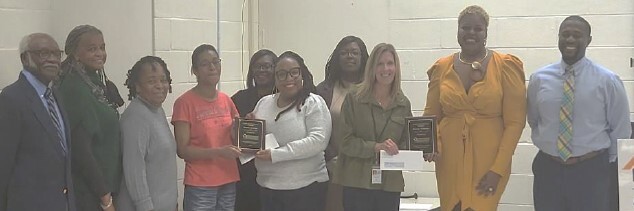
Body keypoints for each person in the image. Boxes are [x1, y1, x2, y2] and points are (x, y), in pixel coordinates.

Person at [422, 5, 526, 211]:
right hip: (449, 161)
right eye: (465, 28)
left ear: (486, 33)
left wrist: (498, 169)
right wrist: (432, 145)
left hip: (489, 162)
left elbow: (515, 123)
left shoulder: (506, 66)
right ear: (458, 31)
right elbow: (430, 115)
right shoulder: (441, 67)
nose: (471, 33)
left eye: (477, 29)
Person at [528, 15, 631, 211]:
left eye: (577, 35)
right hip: (548, 168)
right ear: (558, 37)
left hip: (591, 170)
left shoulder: (608, 81)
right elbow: (534, 119)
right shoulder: (539, 79)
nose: (570, 40)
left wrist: (602, 164)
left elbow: (621, 130)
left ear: (588, 40)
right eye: (565, 34)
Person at [0, 33, 76, 211]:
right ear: (24, 58)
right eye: (43, 53)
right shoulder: (11, 99)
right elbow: (3, 164)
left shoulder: (55, 94)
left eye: (57, 54)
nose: (52, 59)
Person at [249, 51, 332, 211]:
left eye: (294, 72)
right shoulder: (263, 103)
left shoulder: (313, 102)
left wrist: (276, 155)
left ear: (302, 74)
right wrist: (248, 128)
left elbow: (318, 141)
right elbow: (257, 142)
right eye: (281, 74)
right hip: (267, 187)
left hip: (305, 189)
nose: (288, 78)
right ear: (275, 78)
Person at [334, 43, 412, 211]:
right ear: (372, 68)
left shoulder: (403, 104)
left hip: (389, 184)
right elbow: (345, 142)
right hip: (357, 182)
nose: (386, 69)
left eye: (390, 63)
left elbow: (407, 142)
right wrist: (376, 147)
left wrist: (404, 149)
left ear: (396, 67)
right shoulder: (354, 98)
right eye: (380, 64)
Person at [57, 25, 124, 211]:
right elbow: (81, 151)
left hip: (104, 188)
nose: (100, 53)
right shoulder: (74, 88)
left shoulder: (93, 82)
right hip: (88, 193)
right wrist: (105, 198)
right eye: (92, 48)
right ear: (75, 54)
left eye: (102, 47)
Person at [172, 44, 242, 211]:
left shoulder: (226, 100)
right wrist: (218, 152)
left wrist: (247, 126)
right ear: (194, 70)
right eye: (205, 64)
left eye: (215, 62)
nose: (212, 67)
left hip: (228, 179)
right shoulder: (184, 103)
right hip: (200, 184)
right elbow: (183, 150)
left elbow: (235, 136)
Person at [115, 56, 177, 211]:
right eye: (151, 81)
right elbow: (134, 170)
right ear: (137, 87)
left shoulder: (157, 110)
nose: (159, 86)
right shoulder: (135, 117)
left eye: (163, 80)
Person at [316, 35, 369, 211]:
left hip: (365, 168)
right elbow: (317, 130)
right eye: (344, 53)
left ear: (363, 58)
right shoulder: (323, 91)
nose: (350, 56)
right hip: (333, 168)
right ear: (337, 58)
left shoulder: (374, 89)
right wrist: (331, 157)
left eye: (355, 52)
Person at [231, 49, 277, 211]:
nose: (261, 70)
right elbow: (230, 131)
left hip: (275, 170)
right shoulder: (238, 98)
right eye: (257, 67)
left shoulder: (283, 99)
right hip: (245, 173)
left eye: (266, 66)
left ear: (275, 69)